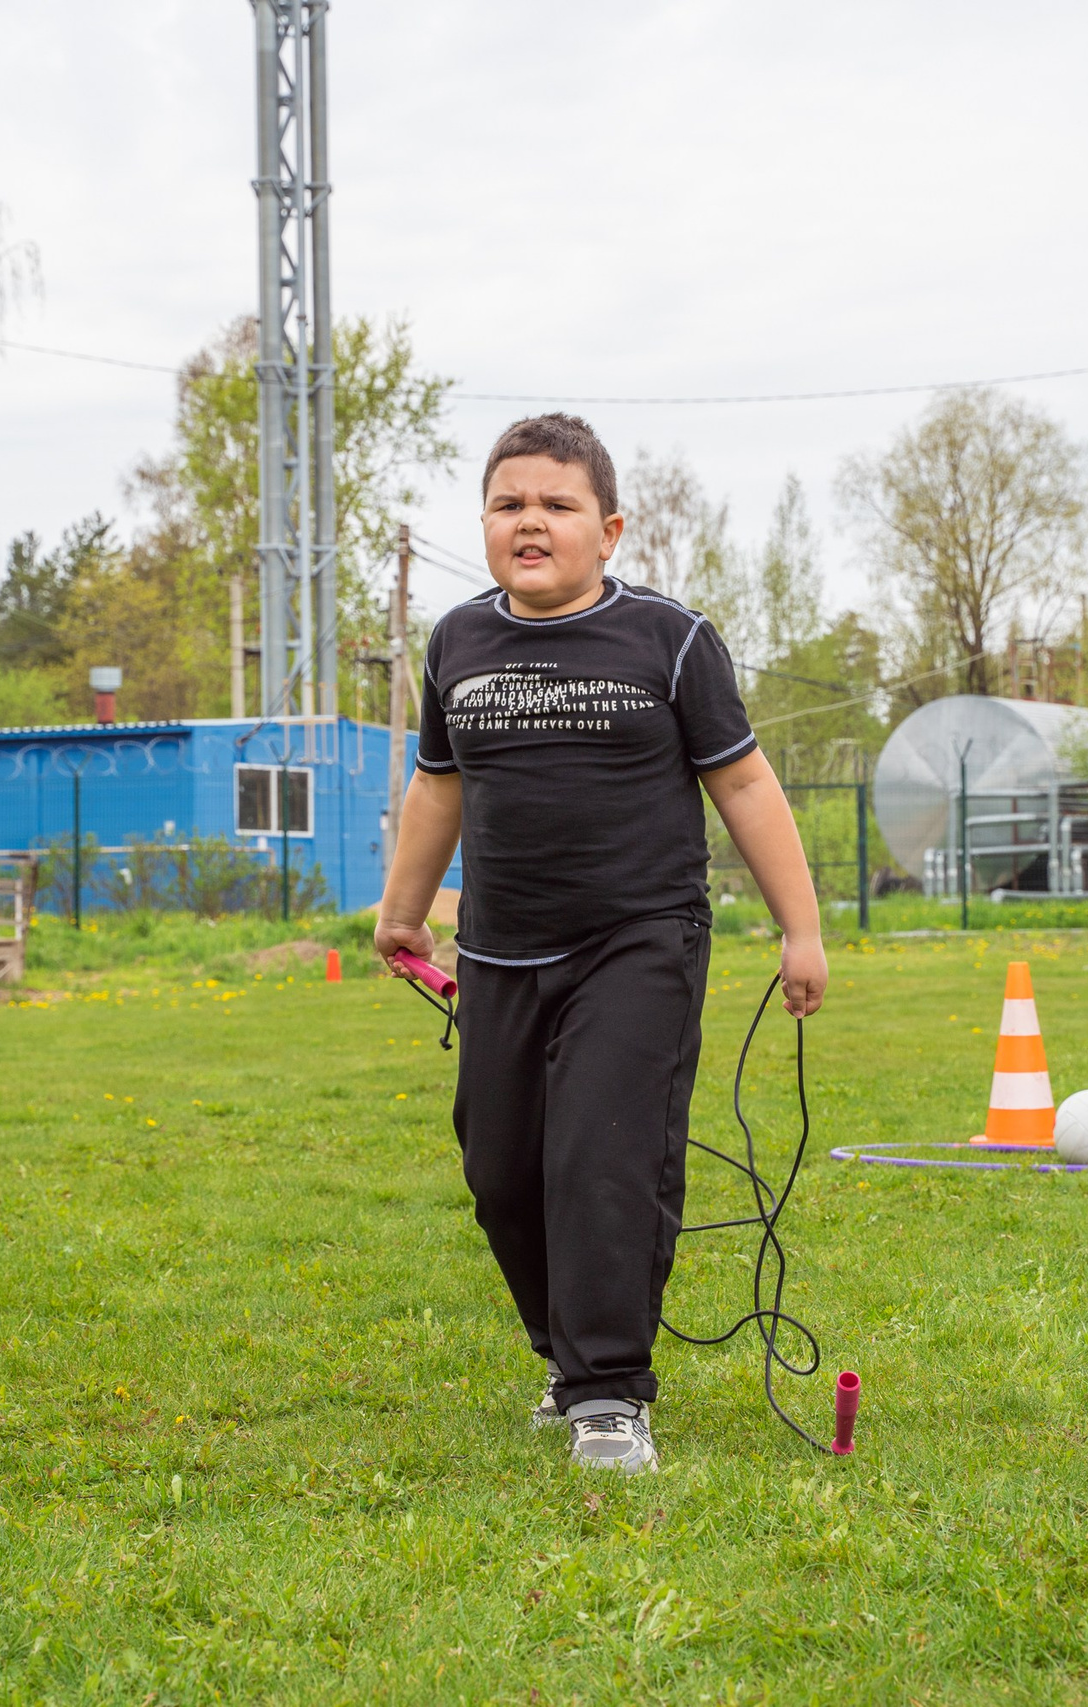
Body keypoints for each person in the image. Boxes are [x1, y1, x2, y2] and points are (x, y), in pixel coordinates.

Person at [373, 413, 828, 1475]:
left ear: (609, 530)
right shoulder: (456, 643)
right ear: (485, 522)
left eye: (556, 504)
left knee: (603, 1156)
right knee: (500, 1171)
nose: (529, 521)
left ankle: (610, 1391)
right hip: (499, 951)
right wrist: (402, 910)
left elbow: (744, 784)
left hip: (639, 941)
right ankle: (565, 1355)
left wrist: (800, 930)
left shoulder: (670, 640)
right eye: (508, 503)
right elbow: (437, 786)